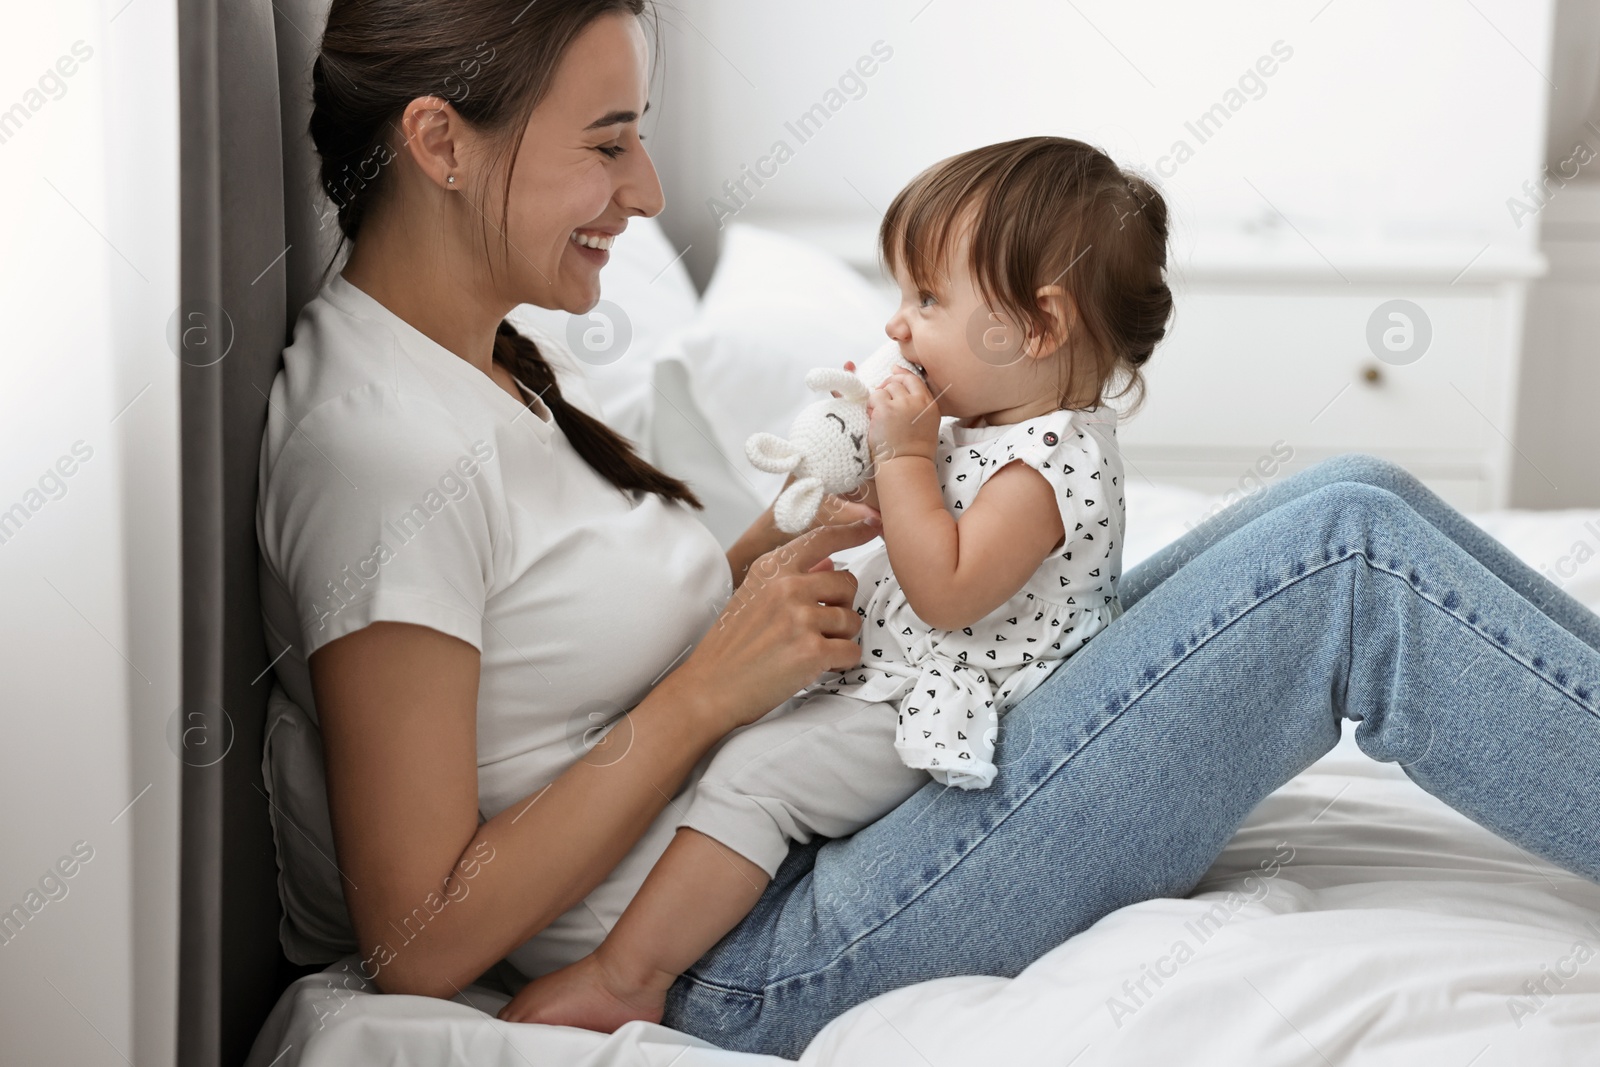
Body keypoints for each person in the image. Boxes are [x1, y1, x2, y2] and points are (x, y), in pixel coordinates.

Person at [258, 0, 1600, 1059]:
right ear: (441, 144)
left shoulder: (482, 372)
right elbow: (417, 938)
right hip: (758, 934)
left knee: (1343, 499)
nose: (652, 187)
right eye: (607, 141)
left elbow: (587, 640)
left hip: (835, 805)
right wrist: (702, 693)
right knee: (1346, 564)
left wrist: (777, 569)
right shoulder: (381, 447)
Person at [496, 136, 1152, 1031]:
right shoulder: (994, 428)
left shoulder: (1047, 464)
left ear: (1035, 326)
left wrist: (908, 455)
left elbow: (947, 591)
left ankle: (626, 975)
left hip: (965, 705)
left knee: (756, 776)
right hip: (898, 678)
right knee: (752, 739)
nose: (897, 325)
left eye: (928, 298)